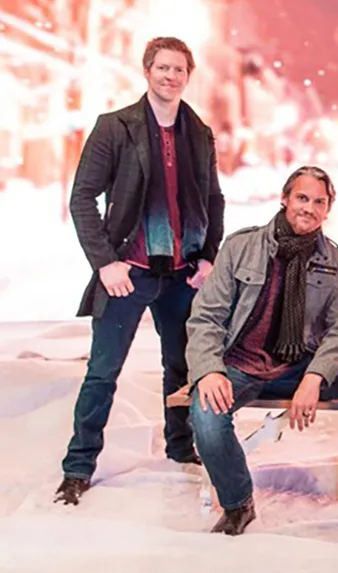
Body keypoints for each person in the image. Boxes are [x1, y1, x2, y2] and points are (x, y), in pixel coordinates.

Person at [182, 166, 338, 545]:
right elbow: (206, 316)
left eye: (319, 202)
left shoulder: (334, 259)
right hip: (243, 364)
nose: (309, 208)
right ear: (284, 199)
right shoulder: (241, 246)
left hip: (301, 363)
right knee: (206, 415)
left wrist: (314, 378)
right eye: (302, 198)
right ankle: (238, 503)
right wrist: (209, 371)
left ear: (328, 210)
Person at [56, 37, 225, 505]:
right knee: (102, 372)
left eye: (179, 70)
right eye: (163, 68)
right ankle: (78, 467)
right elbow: (82, 198)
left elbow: (213, 199)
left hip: (183, 274)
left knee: (183, 369)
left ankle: (181, 448)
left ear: (188, 77)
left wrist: (209, 256)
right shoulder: (115, 127)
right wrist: (106, 262)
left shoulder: (200, 133)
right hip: (127, 272)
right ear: (147, 71)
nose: (171, 77)